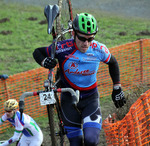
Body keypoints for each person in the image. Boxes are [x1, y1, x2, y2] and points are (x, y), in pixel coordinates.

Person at [33, 13, 126, 146]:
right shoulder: (62, 48)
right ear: (73, 34)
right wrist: (44, 61)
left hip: (90, 99)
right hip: (68, 99)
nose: (86, 43)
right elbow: (37, 52)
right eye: (82, 38)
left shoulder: (99, 49)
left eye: (90, 39)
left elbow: (113, 62)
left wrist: (117, 87)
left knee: (91, 140)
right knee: (75, 143)